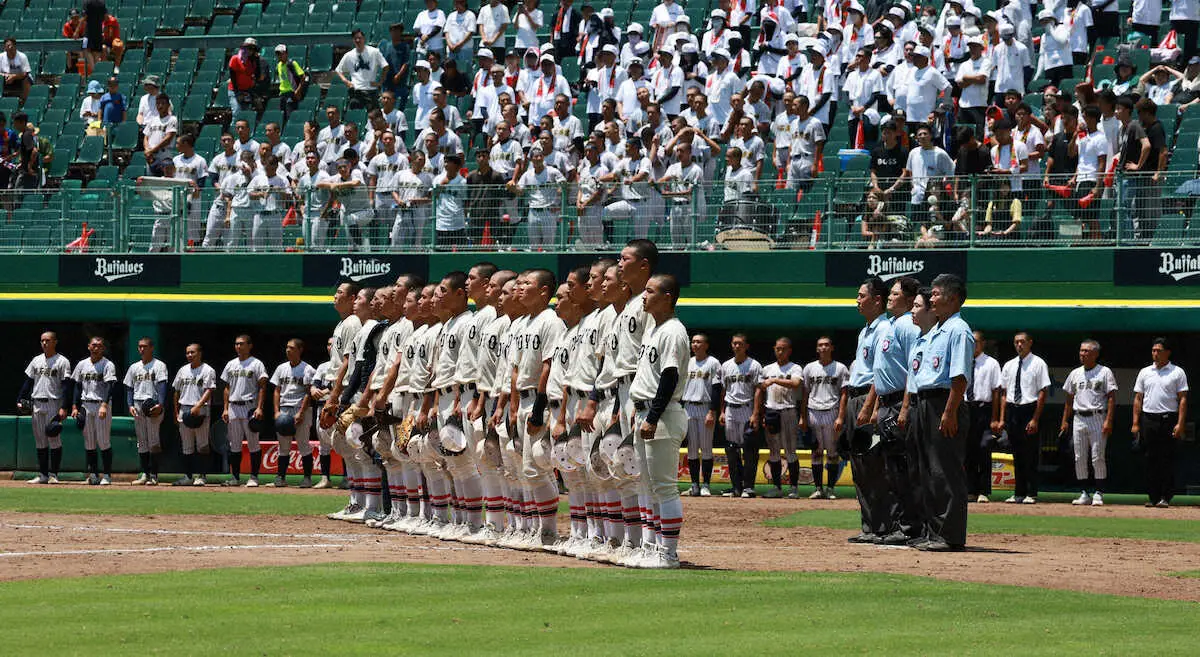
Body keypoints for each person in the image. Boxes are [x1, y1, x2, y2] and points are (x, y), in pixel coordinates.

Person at [905, 274, 973, 551]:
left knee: (945, 471)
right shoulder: (937, 331)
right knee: (927, 471)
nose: (931, 299)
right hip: (925, 403)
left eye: (935, 294)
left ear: (953, 298)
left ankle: (950, 535)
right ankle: (933, 531)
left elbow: (958, 377)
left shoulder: (959, 330)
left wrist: (950, 412)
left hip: (943, 403)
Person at [845, 277, 890, 543]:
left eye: (862, 296)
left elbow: (878, 374)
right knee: (859, 467)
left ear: (877, 300)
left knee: (874, 464)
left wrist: (870, 406)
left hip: (867, 399)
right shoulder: (865, 331)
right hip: (854, 397)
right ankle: (869, 526)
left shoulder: (885, 329)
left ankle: (882, 526)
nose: (857, 300)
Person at [1059, 339, 1117, 507]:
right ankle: (1084, 492)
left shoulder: (1104, 372)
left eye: (1086, 351)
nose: (1082, 354)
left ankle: (1099, 492)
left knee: (1097, 456)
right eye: (1081, 351)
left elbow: (1112, 397)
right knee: (1079, 457)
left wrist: (1109, 420)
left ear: (1095, 354)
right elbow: (1069, 400)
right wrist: (1065, 421)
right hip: (1078, 417)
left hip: (1097, 416)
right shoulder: (1075, 373)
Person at [1132, 338, 1189, 508]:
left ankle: (1166, 496)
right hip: (1148, 419)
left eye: (1159, 350)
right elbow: (1138, 398)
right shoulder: (1145, 372)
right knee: (1150, 458)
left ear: (1167, 352)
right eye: (1153, 350)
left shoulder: (1177, 372)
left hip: (1168, 418)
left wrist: (1180, 423)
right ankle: (1153, 496)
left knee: (1166, 458)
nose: (1155, 354)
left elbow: (1183, 399)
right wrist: (1135, 422)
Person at [999, 332, 1050, 504]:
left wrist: (1035, 418)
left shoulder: (1038, 363)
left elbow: (1043, 392)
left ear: (1030, 343)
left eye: (1022, 342)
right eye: (1016, 342)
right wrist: (1002, 417)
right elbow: (1004, 393)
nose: (1019, 345)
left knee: (1030, 453)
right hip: (1013, 410)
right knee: (1016, 454)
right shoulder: (1009, 365)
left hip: (1029, 408)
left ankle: (1031, 492)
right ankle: (1018, 492)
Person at [18, 332, 71, 485]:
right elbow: (28, 381)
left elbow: (66, 386)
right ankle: (43, 475)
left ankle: (53, 474)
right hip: (37, 403)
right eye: (42, 341)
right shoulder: (36, 360)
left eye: (48, 340)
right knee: (40, 441)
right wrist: (20, 398)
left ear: (55, 341)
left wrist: (64, 407)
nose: (45, 343)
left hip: (53, 403)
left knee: (54, 438)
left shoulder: (62, 361)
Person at [755, 338, 802, 499]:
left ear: (789, 350)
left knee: (790, 451)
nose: (780, 351)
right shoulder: (767, 368)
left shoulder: (795, 367)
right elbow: (760, 390)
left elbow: (796, 383)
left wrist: (775, 380)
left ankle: (794, 488)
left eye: (783, 349)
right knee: (774, 451)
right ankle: (777, 487)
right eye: (777, 348)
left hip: (788, 411)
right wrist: (758, 413)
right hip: (771, 411)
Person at [718, 333, 762, 498]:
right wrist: (722, 411)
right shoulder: (726, 366)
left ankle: (748, 486)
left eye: (740, 344)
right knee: (731, 448)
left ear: (746, 346)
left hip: (746, 407)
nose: (737, 346)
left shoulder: (754, 365)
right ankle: (736, 486)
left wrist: (756, 414)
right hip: (730, 408)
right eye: (734, 343)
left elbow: (759, 390)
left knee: (749, 449)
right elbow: (723, 390)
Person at [220, 334, 268, 487]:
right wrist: (225, 408)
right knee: (234, 444)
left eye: (241, 344)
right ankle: (235, 478)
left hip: (249, 406)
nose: (238, 347)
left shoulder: (256, 363)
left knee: (253, 443)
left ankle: (254, 477)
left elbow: (262, 386)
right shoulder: (230, 364)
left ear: (250, 345)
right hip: (233, 406)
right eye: (236, 344)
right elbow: (226, 388)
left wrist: (260, 407)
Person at [268, 339, 315, 488]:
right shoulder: (281, 368)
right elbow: (276, 390)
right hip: (284, 409)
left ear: (300, 350)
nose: (288, 350)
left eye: (292, 348)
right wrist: (276, 412)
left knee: (303, 445)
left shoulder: (307, 369)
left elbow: (309, 393)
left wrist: (301, 412)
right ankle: (280, 477)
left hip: (301, 409)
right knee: (283, 446)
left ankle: (307, 478)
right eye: (287, 347)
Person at [70, 336, 117, 486]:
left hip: (100, 405)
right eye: (94, 345)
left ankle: (107, 475)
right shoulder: (82, 364)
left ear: (103, 348)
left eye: (99, 346)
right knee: (89, 442)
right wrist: (74, 406)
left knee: (103, 441)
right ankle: (94, 474)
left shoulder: (108, 364)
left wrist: (104, 404)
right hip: (85, 405)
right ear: (89, 346)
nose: (96, 348)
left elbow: (110, 386)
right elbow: (77, 386)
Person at [124, 337, 169, 486]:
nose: (141, 349)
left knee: (153, 441)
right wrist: (130, 405)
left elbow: (162, 385)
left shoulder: (159, 365)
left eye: (144, 346)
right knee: (142, 442)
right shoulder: (134, 367)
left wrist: (161, 404)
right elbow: (129, 387)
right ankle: (145, 474)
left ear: (151, 348)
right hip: (138, 404)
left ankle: (154, 475)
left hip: (153, 405)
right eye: (139, 347)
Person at [682, 333, 721, 497]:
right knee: (691, 449)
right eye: (693, 342)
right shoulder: (687, 362)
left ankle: (705, 484)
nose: (695, 344)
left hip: (705, 407)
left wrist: (712, 411)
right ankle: (694, 484)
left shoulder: (713, 363)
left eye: (699, 342)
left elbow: (717, 389)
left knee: (706, 448)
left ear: (706, 345)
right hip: (688, 406)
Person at [965, 331, 1002, 504]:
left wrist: (994, 418)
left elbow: (996, 391)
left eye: (976, 341)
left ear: (983, 343)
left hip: (984, 408)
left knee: (984, 448)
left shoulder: (991, 363)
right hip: (966, 408)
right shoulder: (963, 360)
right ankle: (970, 489)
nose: (973, 345)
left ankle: (984, 490)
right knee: (968, 450)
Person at [172, 343, 216, 486]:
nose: (190, 355)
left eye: (193, 352)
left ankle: (202, 476)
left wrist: (198, 405)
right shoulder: (183, 370)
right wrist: (176, 412)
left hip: (201, 410)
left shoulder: (208, 370)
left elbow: (209, 390)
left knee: (202, 445)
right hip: (184, 409)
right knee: (187, 446)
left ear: (200, 353)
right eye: (188, 353)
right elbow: (176, 391)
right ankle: (188, 476)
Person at [228, 38, 269, 113]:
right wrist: (238, 93)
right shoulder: (235, 59)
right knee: (237, 111)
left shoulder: (254, 61)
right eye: (248, 48)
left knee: (246, 114)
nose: (250, 50)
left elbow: (258, 76)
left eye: (252, 49)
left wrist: (257, 61)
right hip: (235, 90)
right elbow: (233, 77)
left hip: (248, 91)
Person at [273, 44, 309, 118]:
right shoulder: (279, 65)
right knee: (283, 116)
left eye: (281, 54)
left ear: (286, 53)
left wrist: (298, 91)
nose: (279, 56)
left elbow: (303, 77)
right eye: (277, 54)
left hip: (291, 93)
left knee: (290, 115)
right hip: (283, 93)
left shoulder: (292, 63)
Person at [0, 38, 31, 103]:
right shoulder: (1, 56)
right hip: (5, 78)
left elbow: (25, 73)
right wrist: (5, 75)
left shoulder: (22, 56)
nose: (9, 47)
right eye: (7, 46)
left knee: (27, 80)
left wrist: (14, 77)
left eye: (10, 45)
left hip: (20, 78)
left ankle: (23, 102)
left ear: (15, 46)